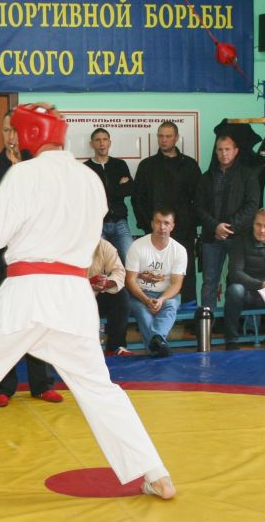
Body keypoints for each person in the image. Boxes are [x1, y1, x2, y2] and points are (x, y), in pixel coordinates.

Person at [0, 103, 176, 501]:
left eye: (15, 133)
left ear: (29, 137)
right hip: (74, 297)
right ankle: (157, 474)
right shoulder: (90, 179)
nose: (12, 140)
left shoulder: (24, 174)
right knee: (99, 389)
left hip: (29, 293)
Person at [0, 109, 61, 407]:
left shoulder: (40, 167)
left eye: (16, 131)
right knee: (3, 323)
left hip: (35, 258)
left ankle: (42, 384)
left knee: (37, 321)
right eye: (7, 130)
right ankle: (2, 386)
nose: (11, 137)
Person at [132, 121, 201, 308]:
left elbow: (199, 199)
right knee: (152, 274)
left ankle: (188, 311)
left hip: (183, 231)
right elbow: (138, 199)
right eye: (160, 136)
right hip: (155, 232)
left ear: (176, 138)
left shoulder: (189, 165)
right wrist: (148, 225)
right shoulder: (147, 166)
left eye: (168, 136)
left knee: (185, 272)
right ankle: (152, 307)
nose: (164, 140)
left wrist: (190, 224)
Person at [195, 135, 260, 311]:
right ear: (216, 152)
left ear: (236, 151)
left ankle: (239, 322)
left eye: (227, 149)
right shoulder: (207, 177)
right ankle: (208, 322)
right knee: (209, 282)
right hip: (211, 237)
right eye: (220, 149)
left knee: (241, 281)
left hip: (239, 238)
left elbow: (252, 205)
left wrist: (228, 227)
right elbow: (198, 207)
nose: (223, 153)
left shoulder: (248, 175)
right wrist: (215, 226)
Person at [125, 208, 187, 358]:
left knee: (171, 306)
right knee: (143, 313)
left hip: (165, 294)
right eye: (158, 222)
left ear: (172, 226)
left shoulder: (179, 250)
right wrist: (146, 300)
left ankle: (156, 343)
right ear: (152, 224)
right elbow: (130, 280)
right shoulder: (137, 246)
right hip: (140, 294)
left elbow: (176, 285)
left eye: (166, 223)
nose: (162, 227)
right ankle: (159, 344)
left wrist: (161, 299)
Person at [223, 208, 265, 351]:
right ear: (253, 223)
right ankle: (231, 341)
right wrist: (261, 284)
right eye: (258, 224)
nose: (261, 230)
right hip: (248, 293)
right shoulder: (240, 241)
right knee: (235, 290)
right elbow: (235, 273)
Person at [84, 128, 134, 263]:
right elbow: (87, 197)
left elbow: (130, 189)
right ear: (91, 144)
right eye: (97, 140)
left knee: (130, 259)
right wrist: (118, 186)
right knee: (99, 264)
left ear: (109, 142)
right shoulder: (86, 168)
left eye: (105, 139)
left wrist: (102, 191)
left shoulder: (120, 165)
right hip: (97, 224)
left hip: (120, 222)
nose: (102, 143)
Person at [90, 239, 132, 356]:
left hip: (97, 294)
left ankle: (116, 347)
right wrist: (88, 283)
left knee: (121, 297)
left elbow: (119, 271)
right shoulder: (66, 244)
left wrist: (108, 283)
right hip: (73, 296)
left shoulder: (103, 245)